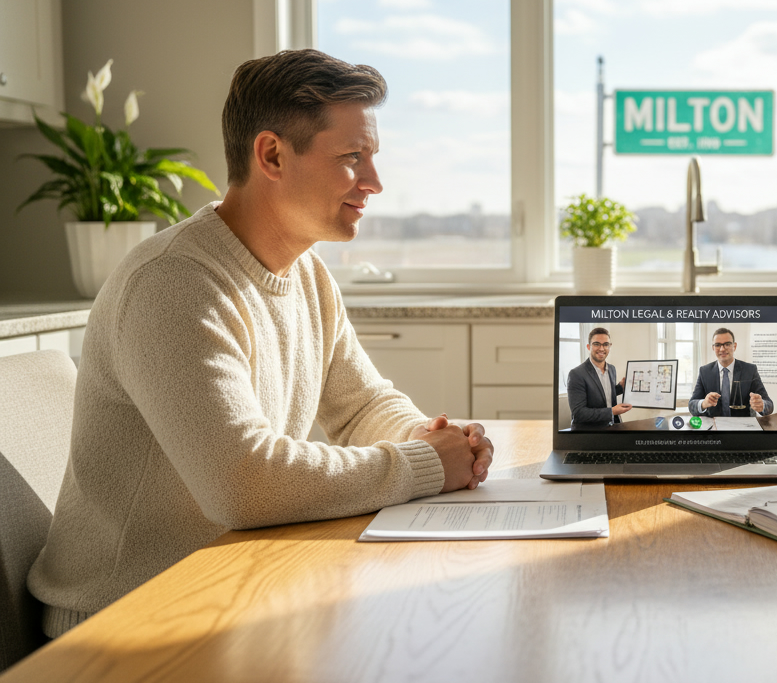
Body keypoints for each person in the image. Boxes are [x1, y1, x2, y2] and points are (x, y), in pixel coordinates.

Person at [27, 49, 494, 637]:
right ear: (272, 154)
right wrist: (426, 465)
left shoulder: (307, 273)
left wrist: (429, 435)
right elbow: (243, 483)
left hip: (227, 590)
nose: (374, 183)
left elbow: (362, 406)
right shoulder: (173, 283)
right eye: (352, 158)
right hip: (125, 624)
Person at [689, 328, 773, 417]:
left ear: (734, 346)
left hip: (742, 427)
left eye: (727, 344)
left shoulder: (750, 370)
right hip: (714, 427)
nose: (722, 349)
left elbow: (769, 405)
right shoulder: (704, 371)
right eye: (718, 345)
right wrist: (703, 403)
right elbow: (692, 405)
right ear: (713, 348)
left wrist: (762, 405)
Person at [566, 327, 630, 425]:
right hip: (590, 432)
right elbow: (579, 413)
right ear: (588, 346)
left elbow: (601, 394)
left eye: (606, 344)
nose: (601, 348)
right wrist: (612, 411)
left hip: (613, 426)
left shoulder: (612, 369)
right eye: (596, 344)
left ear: (609, 346)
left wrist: (620, 387)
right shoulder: (576, 374)